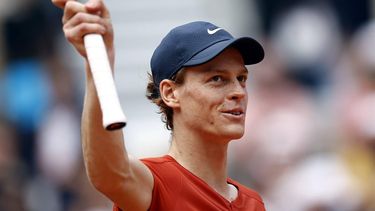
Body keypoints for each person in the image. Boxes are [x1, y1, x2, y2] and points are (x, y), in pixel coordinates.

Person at [52, 0, 266, 210]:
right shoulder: (156, 183)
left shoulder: (253, 203)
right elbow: (109, 171)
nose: (238, 91)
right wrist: (99, 63)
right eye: (217, 79)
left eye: (241, 78)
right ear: (170, 93)